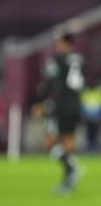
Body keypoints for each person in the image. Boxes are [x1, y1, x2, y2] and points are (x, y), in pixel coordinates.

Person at [33, 33, 85, 194]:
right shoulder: (79, 59)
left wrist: (38, 101)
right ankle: (69, 180)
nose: (57, 46)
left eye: (58, 43)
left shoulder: (56, 60)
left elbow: (47, 82)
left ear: (65, 43)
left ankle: (71, 168)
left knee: (50, 142)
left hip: (61, 105)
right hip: (75, 104)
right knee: (68, 140)